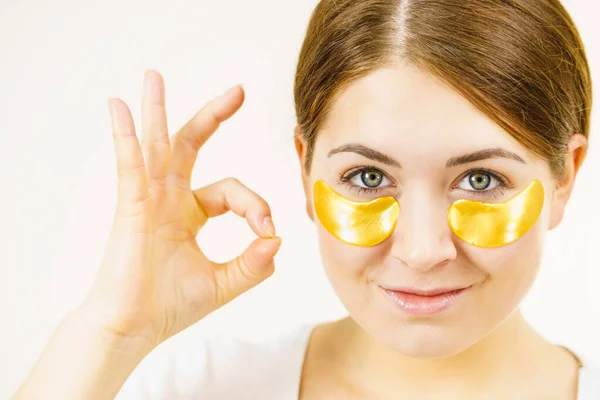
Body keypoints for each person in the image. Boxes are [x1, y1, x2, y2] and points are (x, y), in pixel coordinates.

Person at [13, 0, 599, 398]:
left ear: (564, 179)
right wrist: (108, 332)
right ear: (304, 170)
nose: (423, 252)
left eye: (480, 180)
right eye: (369, 177)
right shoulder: (196, 388)